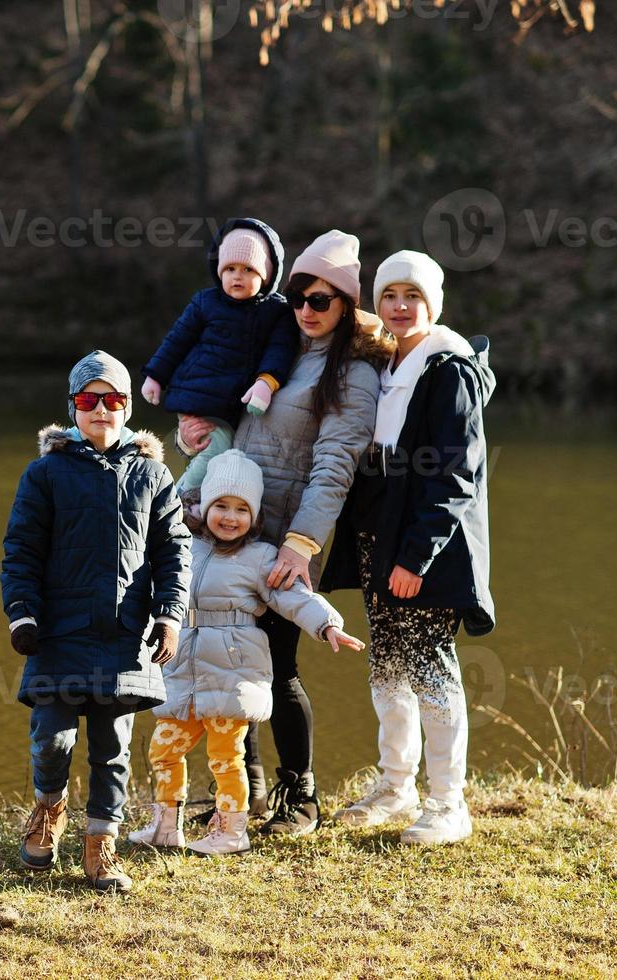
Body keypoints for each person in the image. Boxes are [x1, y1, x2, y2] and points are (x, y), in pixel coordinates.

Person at [176, 230, 395, 835]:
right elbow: (227, 415)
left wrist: (302, 546)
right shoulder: (281, 345)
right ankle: (236, 796)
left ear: (347, 304)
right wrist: (192, 441)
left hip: (287, 537)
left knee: (275, 658)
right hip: (229, 525)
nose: (306, 310)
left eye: (321, 300)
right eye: (299, 295)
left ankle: (300, 799)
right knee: (225, 657)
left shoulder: (352, 372)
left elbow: (335, 465)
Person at [320, 250, 496, 846]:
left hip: (426, 548)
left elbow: (454, 476)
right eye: (389, 295)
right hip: (378, 536)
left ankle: (449, 803)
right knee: (387, 665)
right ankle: (396, 787)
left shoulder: (449, 369)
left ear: (433, 304)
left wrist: (415, 558)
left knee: (431, 669)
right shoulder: (386, 360)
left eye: (412, 296)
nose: (399, 306)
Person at [1, 349, 192, 892]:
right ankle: (48, 808)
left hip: (125, 637)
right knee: (52, 740)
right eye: (89, 400)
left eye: (112, 400)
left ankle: (101, 843)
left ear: (128, 407)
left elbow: (175, 551)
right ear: (73, 407)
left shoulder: (153, 474)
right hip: (57, 633)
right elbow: (20, 551)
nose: (101, 409)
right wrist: (21, 614)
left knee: (112, 750)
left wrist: (170, 615)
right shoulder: (45, 474)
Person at [128, 450, 364, 856]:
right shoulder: (185, 547)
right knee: (163, 748)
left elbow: (294, 596)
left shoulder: (260, 558)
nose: (230, 517)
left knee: (225, 757)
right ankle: (166, 824)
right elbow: (152, 587)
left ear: (254, 517)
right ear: (204, 507)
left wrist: (327, 623)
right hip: (183, 671)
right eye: (221, 505)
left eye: (241, 509)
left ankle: (231, 829)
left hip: (233, 674)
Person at [140, 218, 300, 503]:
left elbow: (280, 349)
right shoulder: (205, 302)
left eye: (248, 269)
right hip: (197, 397)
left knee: (220, 454)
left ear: (267, 274)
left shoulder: (276, 312)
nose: (237, 276)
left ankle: (189, 504)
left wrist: (267, 381)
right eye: (230, 269)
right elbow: (177, 340)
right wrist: (156, 376)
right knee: (216, 449)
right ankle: (176, 501)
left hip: (231, 403)